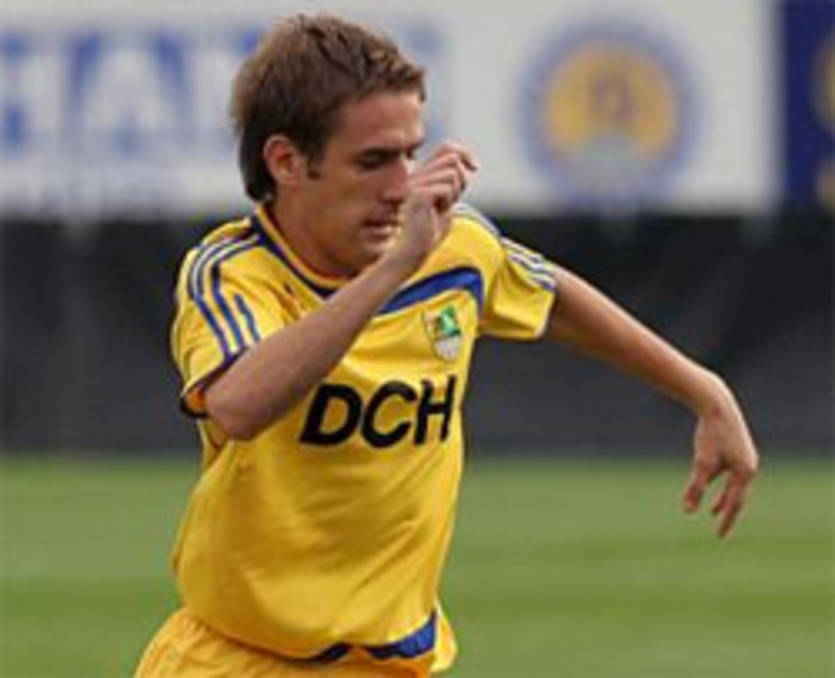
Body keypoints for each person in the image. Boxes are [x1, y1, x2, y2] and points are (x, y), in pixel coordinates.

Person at [135, 13, 758, 677]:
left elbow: (553, 298)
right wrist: (393, 269)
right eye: (372, 161)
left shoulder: (450, 247)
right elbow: (238, 403)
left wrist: (704, 391)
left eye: (411, 154)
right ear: (286, 161)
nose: (401, 185)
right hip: (238, 661)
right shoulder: (234, 273)